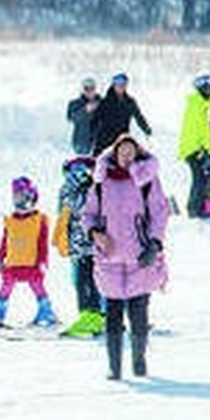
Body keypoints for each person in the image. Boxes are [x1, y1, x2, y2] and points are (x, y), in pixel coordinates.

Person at [81, 133, 169, 379]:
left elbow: (160, 213)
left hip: (139, 256)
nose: (127, 156)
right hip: (109, 256)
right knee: (113, 314)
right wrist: (96, 233)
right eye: (123, 152)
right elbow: (88, 214)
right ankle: (114, 366)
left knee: (139, 313)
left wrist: (154, 244)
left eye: (131, 152)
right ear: (115, 154)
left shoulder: (147, 180)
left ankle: (139, 361)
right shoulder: (101, 182)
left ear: (137, 154)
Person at [0, 177, 57, 327]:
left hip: (32, 263)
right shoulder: (10, 220)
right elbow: (4, 242)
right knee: (5, 287)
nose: (17, 199)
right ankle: (0, 314)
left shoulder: (39, 219)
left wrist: (43, 262)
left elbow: (43, 244)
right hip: (12, 263)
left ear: (30, 197)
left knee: (37, 286)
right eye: (15, 195)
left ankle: (46, 311)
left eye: (21, 195)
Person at [53, 156, 104, 338]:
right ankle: (91, 315)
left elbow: (91, 209)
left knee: (91, 282)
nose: (80, 175)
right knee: (81, 281)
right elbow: (68, 209)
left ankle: (94, 316)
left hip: (92, 246)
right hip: (79, 247)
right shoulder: (69, 189)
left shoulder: (95, 187)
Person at [177, 73, 210, 219]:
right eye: (207, 88)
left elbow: (202, 128)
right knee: (199, 179)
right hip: (194, 149)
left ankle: (197, 207)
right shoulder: (197, 105)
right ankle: (194, 209)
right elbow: (199, 131)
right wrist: (207, 150)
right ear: (200, 89)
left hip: (194, 148)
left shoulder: (200, 104)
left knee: (200, 179)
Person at [88, 73, 151, 155]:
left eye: (123, 85)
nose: (121, 87)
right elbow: (94, 120)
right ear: (114, 85)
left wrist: (146, 129)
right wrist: (92, 137)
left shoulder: (129, 102)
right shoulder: (105, 102)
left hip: (121, 139)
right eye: (119, 85)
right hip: (105, 139)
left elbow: (138, 116)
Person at [66, 76, 102, 155]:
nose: (89, 91)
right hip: (81, 142)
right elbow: (71, 118)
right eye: (86, 88)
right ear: (82, 90)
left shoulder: (102, 103)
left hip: (99, 142)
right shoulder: (74, 104)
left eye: (92, 88)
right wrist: (85, 111)